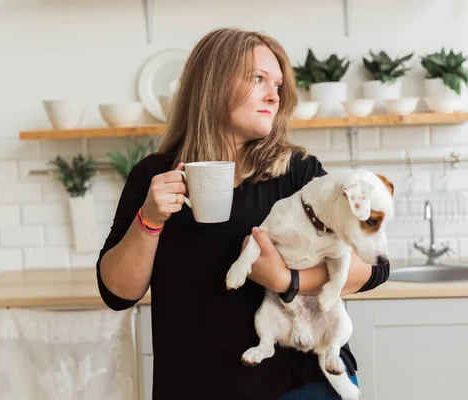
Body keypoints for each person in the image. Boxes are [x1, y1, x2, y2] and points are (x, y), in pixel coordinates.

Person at [96, 27, 389, 400]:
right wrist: (149, 220)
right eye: (258, 79)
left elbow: (375, 267)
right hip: (192, 386)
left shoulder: (297, 172)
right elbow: (117, 292)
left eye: (278, 85)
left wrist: (289, 280)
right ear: (213, 83)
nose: (274, 95)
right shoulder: (154, 178)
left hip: (297, 385)